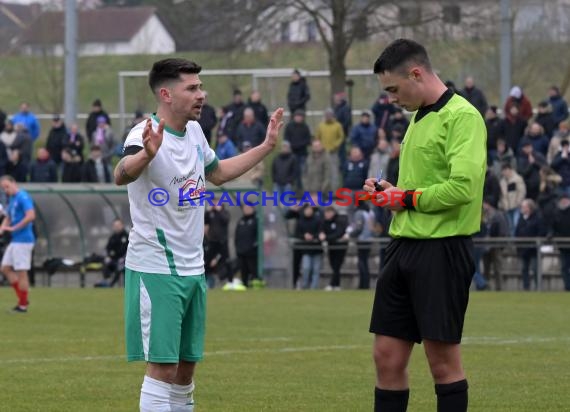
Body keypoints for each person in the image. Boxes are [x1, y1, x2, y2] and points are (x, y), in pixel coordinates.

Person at [114, 57, 283, 412]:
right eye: (192, 88)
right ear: (166, 93)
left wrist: (266, 146)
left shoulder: (193, 132)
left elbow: (218, 173)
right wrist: (147, 154)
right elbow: (121, 173)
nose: (201, 95)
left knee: (186, 368)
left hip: (193, 268)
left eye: (200, 87)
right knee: (162, 366)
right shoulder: (143, 134)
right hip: (157, 267)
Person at [363, 39, 486, 412]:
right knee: (386, 357)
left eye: (394, 89)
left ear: (416, 73)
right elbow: (415, 189)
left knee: (442, 362)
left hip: (443, 250)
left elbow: (462, 188)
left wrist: (404, 198)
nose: (392, 99)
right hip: (403, 246)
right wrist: (389, 192)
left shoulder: (463, 117)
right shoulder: (418, 118)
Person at [0, 175, 36, 313]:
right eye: (3, 188)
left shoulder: (23, 196)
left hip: (24, 240)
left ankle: (22, 305)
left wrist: (15, 228)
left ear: (14, 183)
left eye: (7, 186)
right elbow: (8, 217)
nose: (6, 190)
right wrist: (2, 229)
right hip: (16, 240)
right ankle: (23, 298)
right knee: (5, 268)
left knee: (22, 272)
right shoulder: (13, 199)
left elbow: (31, 215)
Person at [94, 219, 129, 288]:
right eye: (115, 226)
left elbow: (127, 250)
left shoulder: (127, 236)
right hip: (113, 260)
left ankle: (110, 285)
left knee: (120, 266)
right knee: (106, 263)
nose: (117, 227)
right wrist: (107, 256)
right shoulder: (112, 237)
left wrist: (122, 258)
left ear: (122, 225)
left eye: (118, 225)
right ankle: (106, 281)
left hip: (124, 261)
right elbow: (107, 249)